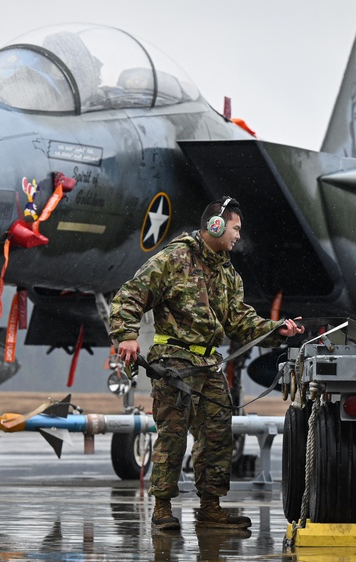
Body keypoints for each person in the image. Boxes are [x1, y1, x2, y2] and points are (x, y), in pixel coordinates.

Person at [108, 196, 304, 531]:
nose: (238, 235)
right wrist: (126, 335)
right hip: (174, 362)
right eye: (235, 227)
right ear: (215, 224)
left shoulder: (227, 273)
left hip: (208, 364)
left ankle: (210, 507)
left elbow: (240, 321)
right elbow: (129, 295)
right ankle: (162, 508)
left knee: (217, 436)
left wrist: (277, 330)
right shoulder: (174, 259)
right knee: (173, 436)